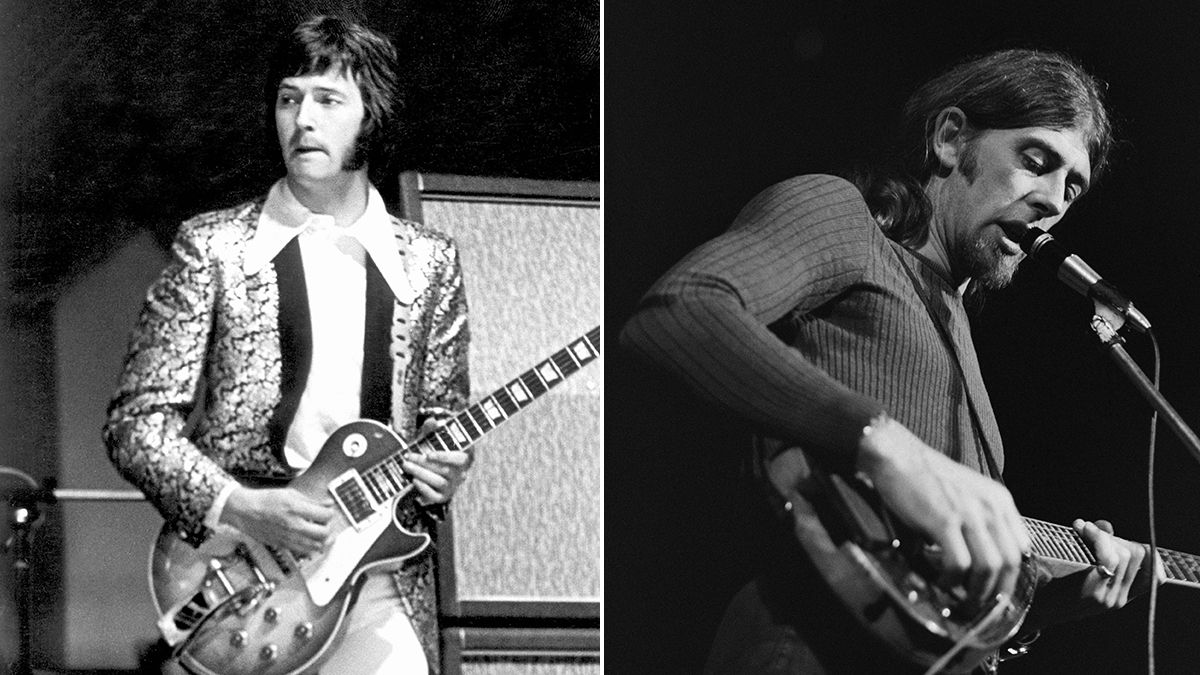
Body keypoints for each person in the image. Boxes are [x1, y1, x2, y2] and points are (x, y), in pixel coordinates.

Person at [620, 48, 1158, 673]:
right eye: (1035, 162)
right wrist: (885, 443)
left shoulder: (961, 348)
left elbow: (915, 598)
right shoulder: (844, 219)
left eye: (1072, 187)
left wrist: (1057, 602)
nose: (1054, 202)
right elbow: (678, 312)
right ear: (952, 138)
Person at [103, 15, 471, 674]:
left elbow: (442, 418)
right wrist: (240, 504)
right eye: (288, 98)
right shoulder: (214, 247)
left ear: (373, 117)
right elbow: (136, 425)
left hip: (375, 586)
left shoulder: (429, 261)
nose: (303, 119)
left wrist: (446, 470)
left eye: (328, 100)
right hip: (241, 578)